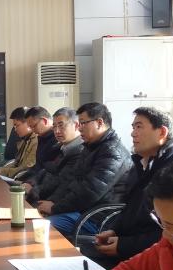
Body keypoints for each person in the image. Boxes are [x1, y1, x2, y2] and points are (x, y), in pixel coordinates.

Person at [80, 107, 173, 269]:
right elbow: (131, 209)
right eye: (133, 127)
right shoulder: (144, 163)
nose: (133, 133)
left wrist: (124, 245)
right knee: (75, 250)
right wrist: (114, 231)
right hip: (125, 245)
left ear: (162, 132)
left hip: (146, 259)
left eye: (139, 127)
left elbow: (169, 234)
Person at [36, 102, 132, 240]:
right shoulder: (91, 147)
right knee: (37, 218)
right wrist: (52, 202)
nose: (79, 128)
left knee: (42, 227)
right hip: (81, 210)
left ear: (99, 123)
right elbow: (71, 182)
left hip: (96, 218)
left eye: (83, 123)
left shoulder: (112, 152)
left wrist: (54, 208)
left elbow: (89, 193)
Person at [27, 108, 84, 206]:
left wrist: (33, 192)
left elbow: (62, 183)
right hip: (44, 194)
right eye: (54, 127)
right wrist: (30, 183)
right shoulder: (61, 147)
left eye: (61, 126)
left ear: (76, 125)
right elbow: (45, 171)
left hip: (56, 202)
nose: (57, 131)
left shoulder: (79, 151)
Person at [18, 106, 58, 187]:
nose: (32, 130)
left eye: (34, 126)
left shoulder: (57, 140)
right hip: (34, 182)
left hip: (43, 186)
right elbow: (37, 166)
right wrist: (21, 179)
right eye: (30, 127)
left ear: (44, 121)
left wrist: (30, 183)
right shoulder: (42, 137)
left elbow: (47, 171)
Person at [0, 108, 38, 179]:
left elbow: (26, 168)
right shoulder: (25, 140)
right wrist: (0, 170)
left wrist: (2, 172)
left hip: (23, 180)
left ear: (28, 123)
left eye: (17, 125)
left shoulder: (36, 141)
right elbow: (16, 162)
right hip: (17, 177)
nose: (15, 129)